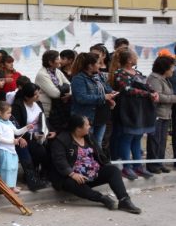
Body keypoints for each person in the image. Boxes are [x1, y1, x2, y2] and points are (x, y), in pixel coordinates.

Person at [48, 115, 141, 214]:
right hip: (73, 178)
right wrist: (72, 174)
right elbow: (59, 160)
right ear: (78, 129)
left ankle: (124, 200)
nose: (89, 127)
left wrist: (106, 164)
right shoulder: (61, 140)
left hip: (92, 174)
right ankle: (102, 198)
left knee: (113, 171)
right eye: (87, 125)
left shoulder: (89, 136)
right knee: (70, 183)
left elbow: (99, 153)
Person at [109, 48, 158, 180]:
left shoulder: (137, 72)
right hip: (128, 110)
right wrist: (148, 94)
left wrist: (154, 93)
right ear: (130, 60)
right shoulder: (120, 73)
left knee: (137, 138)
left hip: (141, 111)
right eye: (135, 56)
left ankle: (138, 166)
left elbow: (147, 85)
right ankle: (126, 167)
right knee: (127, 138)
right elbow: (127, 89)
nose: (137, 57)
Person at [10, 83, 51, 191]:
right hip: (26, 136)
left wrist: (49, 131)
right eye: (36, 95)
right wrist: (32, 135)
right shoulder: (18, 106)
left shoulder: (38, 103)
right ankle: (33, 175)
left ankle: (46, 173)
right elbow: (17, 127)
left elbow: (44, 119)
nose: (38, 96)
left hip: (41, 133)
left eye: (38, 94)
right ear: (27, 97)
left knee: (54, 145)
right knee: (39, 150)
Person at [70, 52, 116, 146]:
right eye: (98, 63)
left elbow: (107, 89)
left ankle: (97, 160)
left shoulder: (98, 76)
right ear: (90, 66)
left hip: (101, 116)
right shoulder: (79, 78)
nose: (100, 65)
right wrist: (103, 97)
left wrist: (112, 94)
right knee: (87, 144)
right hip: (87, 117)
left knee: (98, 143)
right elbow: (81, 98)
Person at [0, 102, 33, 193]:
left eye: (10, 113)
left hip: (12, 149)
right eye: (8, 113)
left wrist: (26, 128)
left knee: (14, 167)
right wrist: (12, 141)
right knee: (6, 168)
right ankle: (6, 186)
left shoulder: (9, 122)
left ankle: (12, 185)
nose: (10, 115)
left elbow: (17, 132)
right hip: (4, 149)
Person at [146, 55, 176, 174]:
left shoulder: (165, 78)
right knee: (155, 140)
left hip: (165, 114)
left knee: (162, 141)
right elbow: (157, 96)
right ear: (165, 68)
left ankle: (159, 162)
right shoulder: (155, 79)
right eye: (171, 67)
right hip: (157, 114)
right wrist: (174, 98)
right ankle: (152, 165)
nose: (172, 70)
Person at [35, 50, 72, 117]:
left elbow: (70, 85)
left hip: (59, 109)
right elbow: (55, 94)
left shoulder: (57, 71)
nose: (60, 61)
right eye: (57, 59)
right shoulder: (42, 75)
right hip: (49, 111)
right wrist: (65, 88)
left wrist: (68, 93)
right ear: (50, 62)